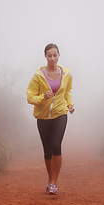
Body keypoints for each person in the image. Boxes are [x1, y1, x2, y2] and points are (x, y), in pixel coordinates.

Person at [27, 43, 75, 195]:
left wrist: (70, 105)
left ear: (59, 55)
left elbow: (67, 92)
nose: (52, 58)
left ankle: (54, 183)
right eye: (49, 55)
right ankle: (50, 179)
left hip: (60, 114)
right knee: (47, 151)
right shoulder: (38, 76)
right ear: (45, 57)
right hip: (42, 117)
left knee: (56, 145)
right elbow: (30, 97)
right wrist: (43, 97)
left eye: (55, 55)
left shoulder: (66, 74)